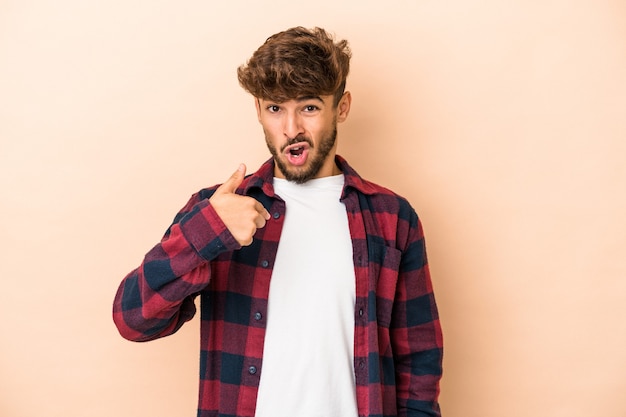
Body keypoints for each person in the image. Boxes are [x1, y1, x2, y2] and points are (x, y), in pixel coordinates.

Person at [113, 26, 443, 417]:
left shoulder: (392, 218)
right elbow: (133, 320)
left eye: (309, 107)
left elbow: (419, 359)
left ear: (341, 106)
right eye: (275, 108)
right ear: (257, 110)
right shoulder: (219, 210)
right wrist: (205, 233)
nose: (291, 129)